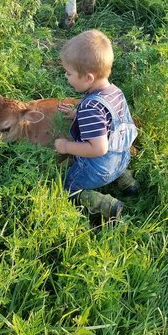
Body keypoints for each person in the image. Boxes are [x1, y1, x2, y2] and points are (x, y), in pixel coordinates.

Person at [54, 29, 139, 225]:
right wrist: (77, 114)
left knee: (66, 187)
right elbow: (110, 122)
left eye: (69, 73)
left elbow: (98, 148)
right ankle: (125, 180)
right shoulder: (115, 92)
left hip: (99, 169)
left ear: (88, 78)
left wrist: (65, 147)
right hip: (123, 157)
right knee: (114, 163)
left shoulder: (91, 108)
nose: (66, 77)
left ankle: (105, 204)